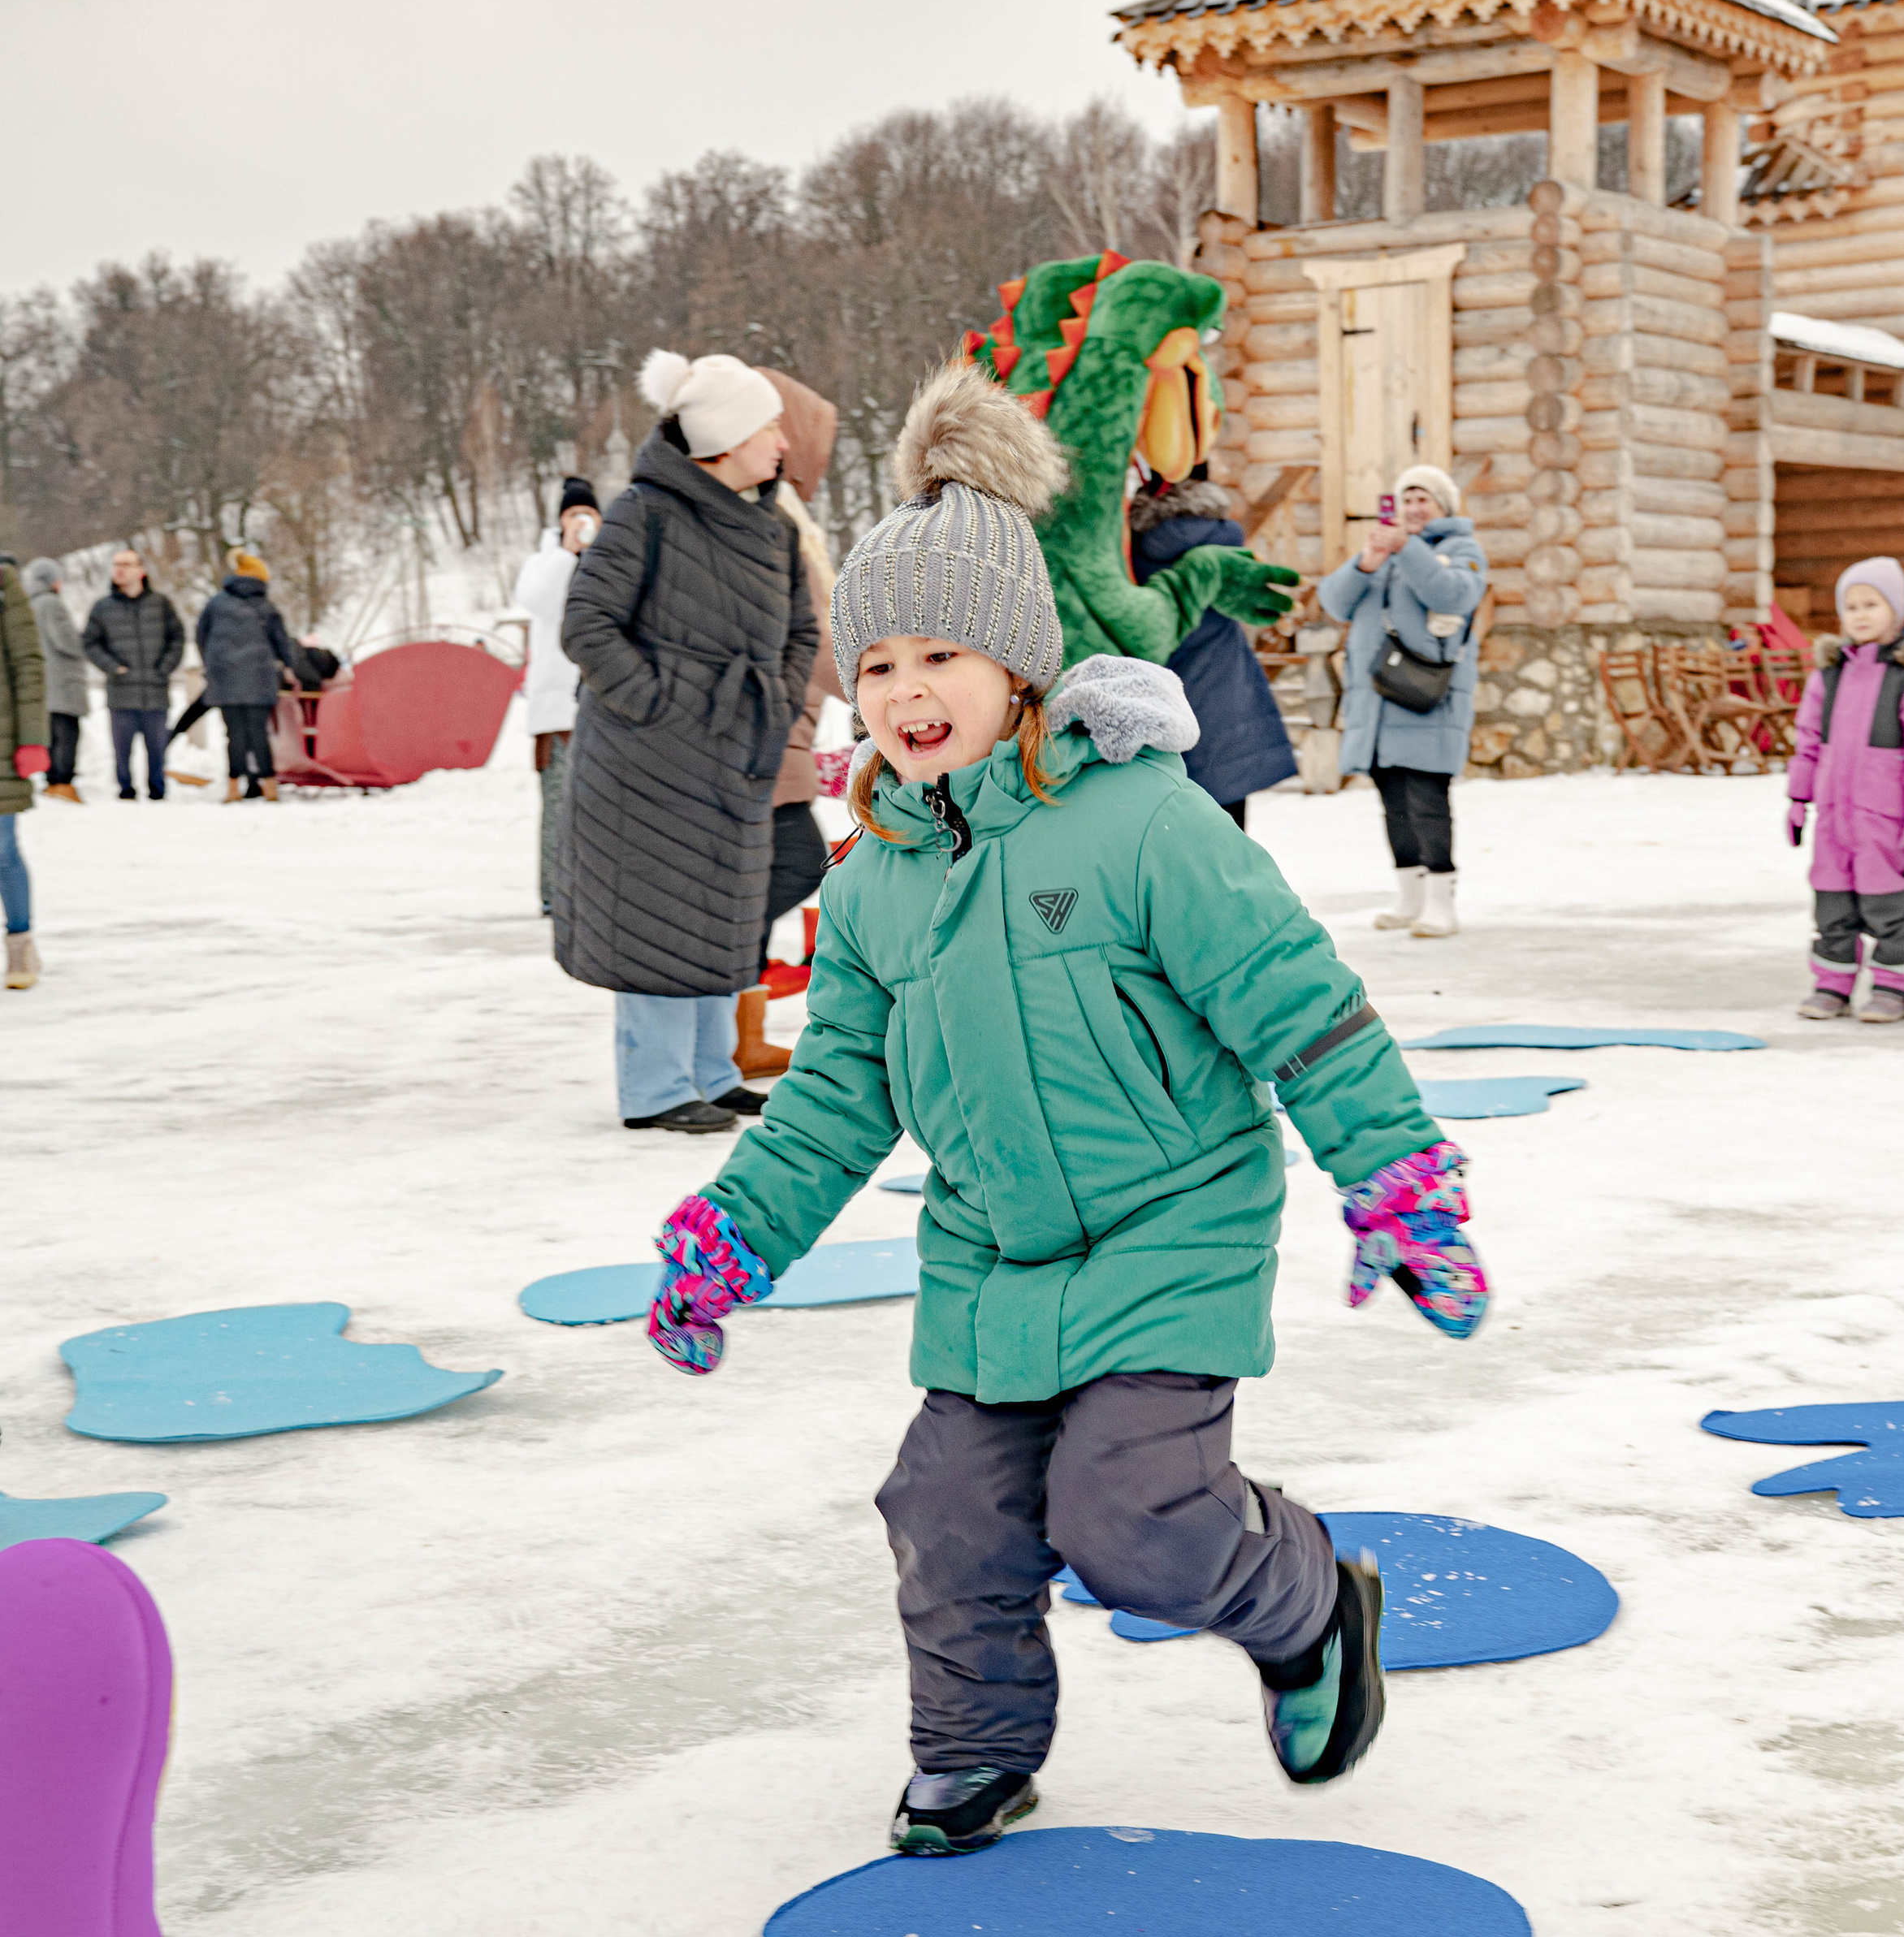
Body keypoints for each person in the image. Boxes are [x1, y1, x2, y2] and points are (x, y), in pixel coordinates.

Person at [640, 361, 1491, 1857]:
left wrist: (1397, 1178)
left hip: (1173, 1227)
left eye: (943, 656)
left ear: (1021, 667)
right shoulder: (875, 882)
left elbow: (1299, 1004)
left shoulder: (1143, 824)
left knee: (1133, 1520)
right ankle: (973, 1752)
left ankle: (1307, 1603)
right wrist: (738, 1233)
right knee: (948, 1516)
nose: (907, 692)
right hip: (991, 1251)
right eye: (878, 663)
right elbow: (837, 1095)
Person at [556, 351, 820, 1134]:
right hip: (645, 759)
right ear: (728, 436)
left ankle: (712, 1072)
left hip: (735, 750)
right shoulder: (645, 512)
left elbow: (802, 632)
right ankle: (656, 1088)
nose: (782, 442)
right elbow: (588, 624)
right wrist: (659, 705)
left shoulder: (773, 526)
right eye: (769, 427)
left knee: (720, 911)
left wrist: (774, 703)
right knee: (656, 914)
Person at [1317, 465, 1487, 940]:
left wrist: (1407, 548)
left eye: (1423, 500)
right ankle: (1410, 898)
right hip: (1376, 702)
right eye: (1406, 499)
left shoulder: (1462, 550)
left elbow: (1452, 595)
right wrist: (1366, 562)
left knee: (1427, 801)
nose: (1413, 508)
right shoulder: (1385, 553)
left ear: (1443, 507)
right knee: (1393, 802)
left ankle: (1441, 903)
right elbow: (1335, 603)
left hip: (1427, 699)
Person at [1785, 559, 1904, 1023]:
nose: (1860, 615)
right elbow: (1807, 744)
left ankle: (1894, 986)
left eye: (1871, 605)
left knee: (1890, 904)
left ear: (1895, 611)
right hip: (1834, 818)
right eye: (1852, 606)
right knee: (1832, 902)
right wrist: (1798, 799)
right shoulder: (1827, 677)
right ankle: (1832, 985)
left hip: (1886, 818)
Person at [738, 367, 844, 1079]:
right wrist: (881, 686)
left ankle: (738, 1028)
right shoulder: (776, 525)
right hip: (770, 736)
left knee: (762, 877)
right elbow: (823, 640)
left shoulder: (777, 517)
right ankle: (726, 1009)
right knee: (792, 863)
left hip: (780, 735)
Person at [1125, 469, 1297, 824]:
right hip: (1230, 706)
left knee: (1172, 832)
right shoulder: (1227, 542)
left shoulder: (1134, 554)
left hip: (1164, 706)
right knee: (1228, 833)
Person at [514, 478, 595, 914]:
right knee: (559, 806)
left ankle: (593, 893)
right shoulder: (543, 563)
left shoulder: (611, 559)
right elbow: (540, 603)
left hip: (603, 706)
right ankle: (554, 893)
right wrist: (567, 552)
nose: (582, 522)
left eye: (589, 514)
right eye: (573, 515)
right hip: (557, 711)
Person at [82, 549, 186, 802]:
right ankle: (125, 790)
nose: (119, 569)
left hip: (155, 690)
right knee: (122, 750)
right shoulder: (103, 608)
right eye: (116, 564)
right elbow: (90, 643)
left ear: (141, 570)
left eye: (126, 564)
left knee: (158, 749)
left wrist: (164, 668)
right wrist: (112, 667)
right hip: (121, 692)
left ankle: (158, 791)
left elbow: (177, 638)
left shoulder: (161, 604)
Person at [195, 552, 301, 802]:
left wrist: (211, 664)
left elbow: (201, 636)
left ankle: (233, 788)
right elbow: (282, 642)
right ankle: (269, 786)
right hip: (259, 678)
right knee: (259, 733)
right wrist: (290, 667)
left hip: (224, 679)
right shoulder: (265, 606)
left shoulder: (216, 604)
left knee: (234, 734)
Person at [0, 560, 49, 987]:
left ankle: (20, 945)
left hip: (2, 739)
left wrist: (32, 739)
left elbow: (28, 666)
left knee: (1, 847)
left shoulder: (3, 584)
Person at [20, 562, 89, 803]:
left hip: (44, 681)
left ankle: (52, 781)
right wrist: (84, 643)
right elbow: (66, 641)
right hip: (63, 681)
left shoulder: (29, 603)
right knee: (67, 733)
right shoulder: (52, 603)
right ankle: (63, 783)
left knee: (51, 734)